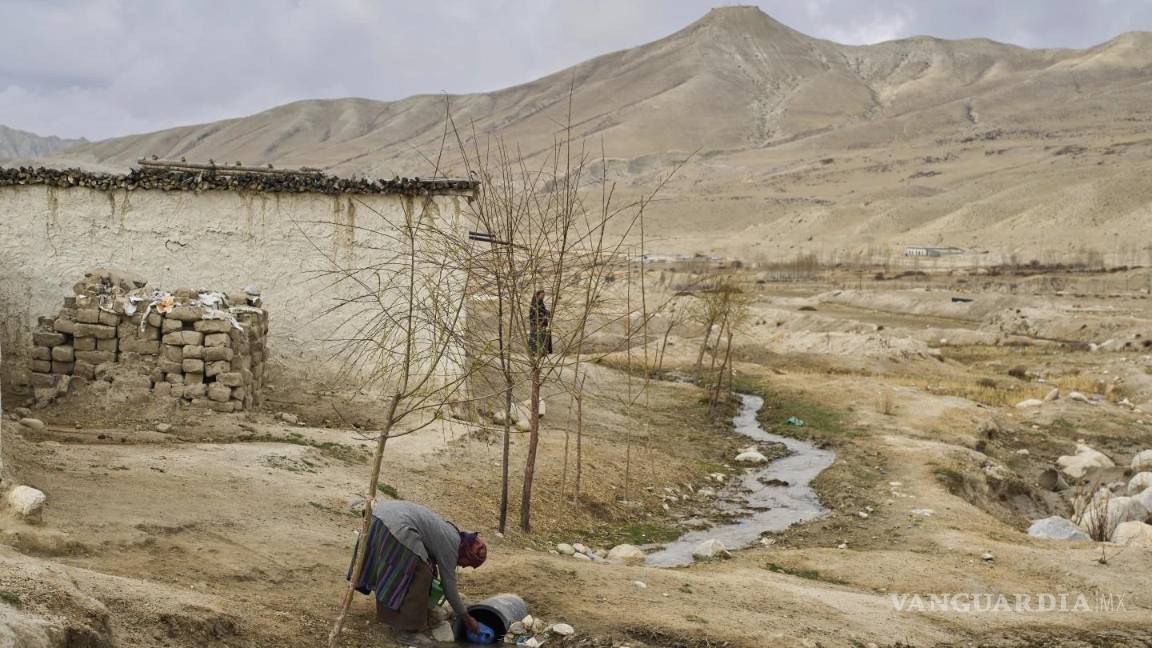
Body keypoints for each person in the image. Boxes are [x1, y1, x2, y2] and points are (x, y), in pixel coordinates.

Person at [349, 500, 487, 635]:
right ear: (465, 552)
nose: (462, 566)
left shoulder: (452, 533)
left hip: (379, 514)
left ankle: (400, 615)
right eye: (466, 563)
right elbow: (449, 587)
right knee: (421, 574)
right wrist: (467, 618)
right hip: (396, 524)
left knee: (425, 568)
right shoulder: (452, 547)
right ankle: (408, 631)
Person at [528, 290, 553, 356]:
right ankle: (535, 352)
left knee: (543, 336)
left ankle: (542, 352)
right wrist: (545, 313)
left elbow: (542, 310)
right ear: (538, 295)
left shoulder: (541, 302)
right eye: (542, 295)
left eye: (544, 295)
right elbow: (535, 312)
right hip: (536, 323)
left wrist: (547, 312)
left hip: (542, 323)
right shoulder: (535, 303)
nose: (543, 296)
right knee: (536, 337)